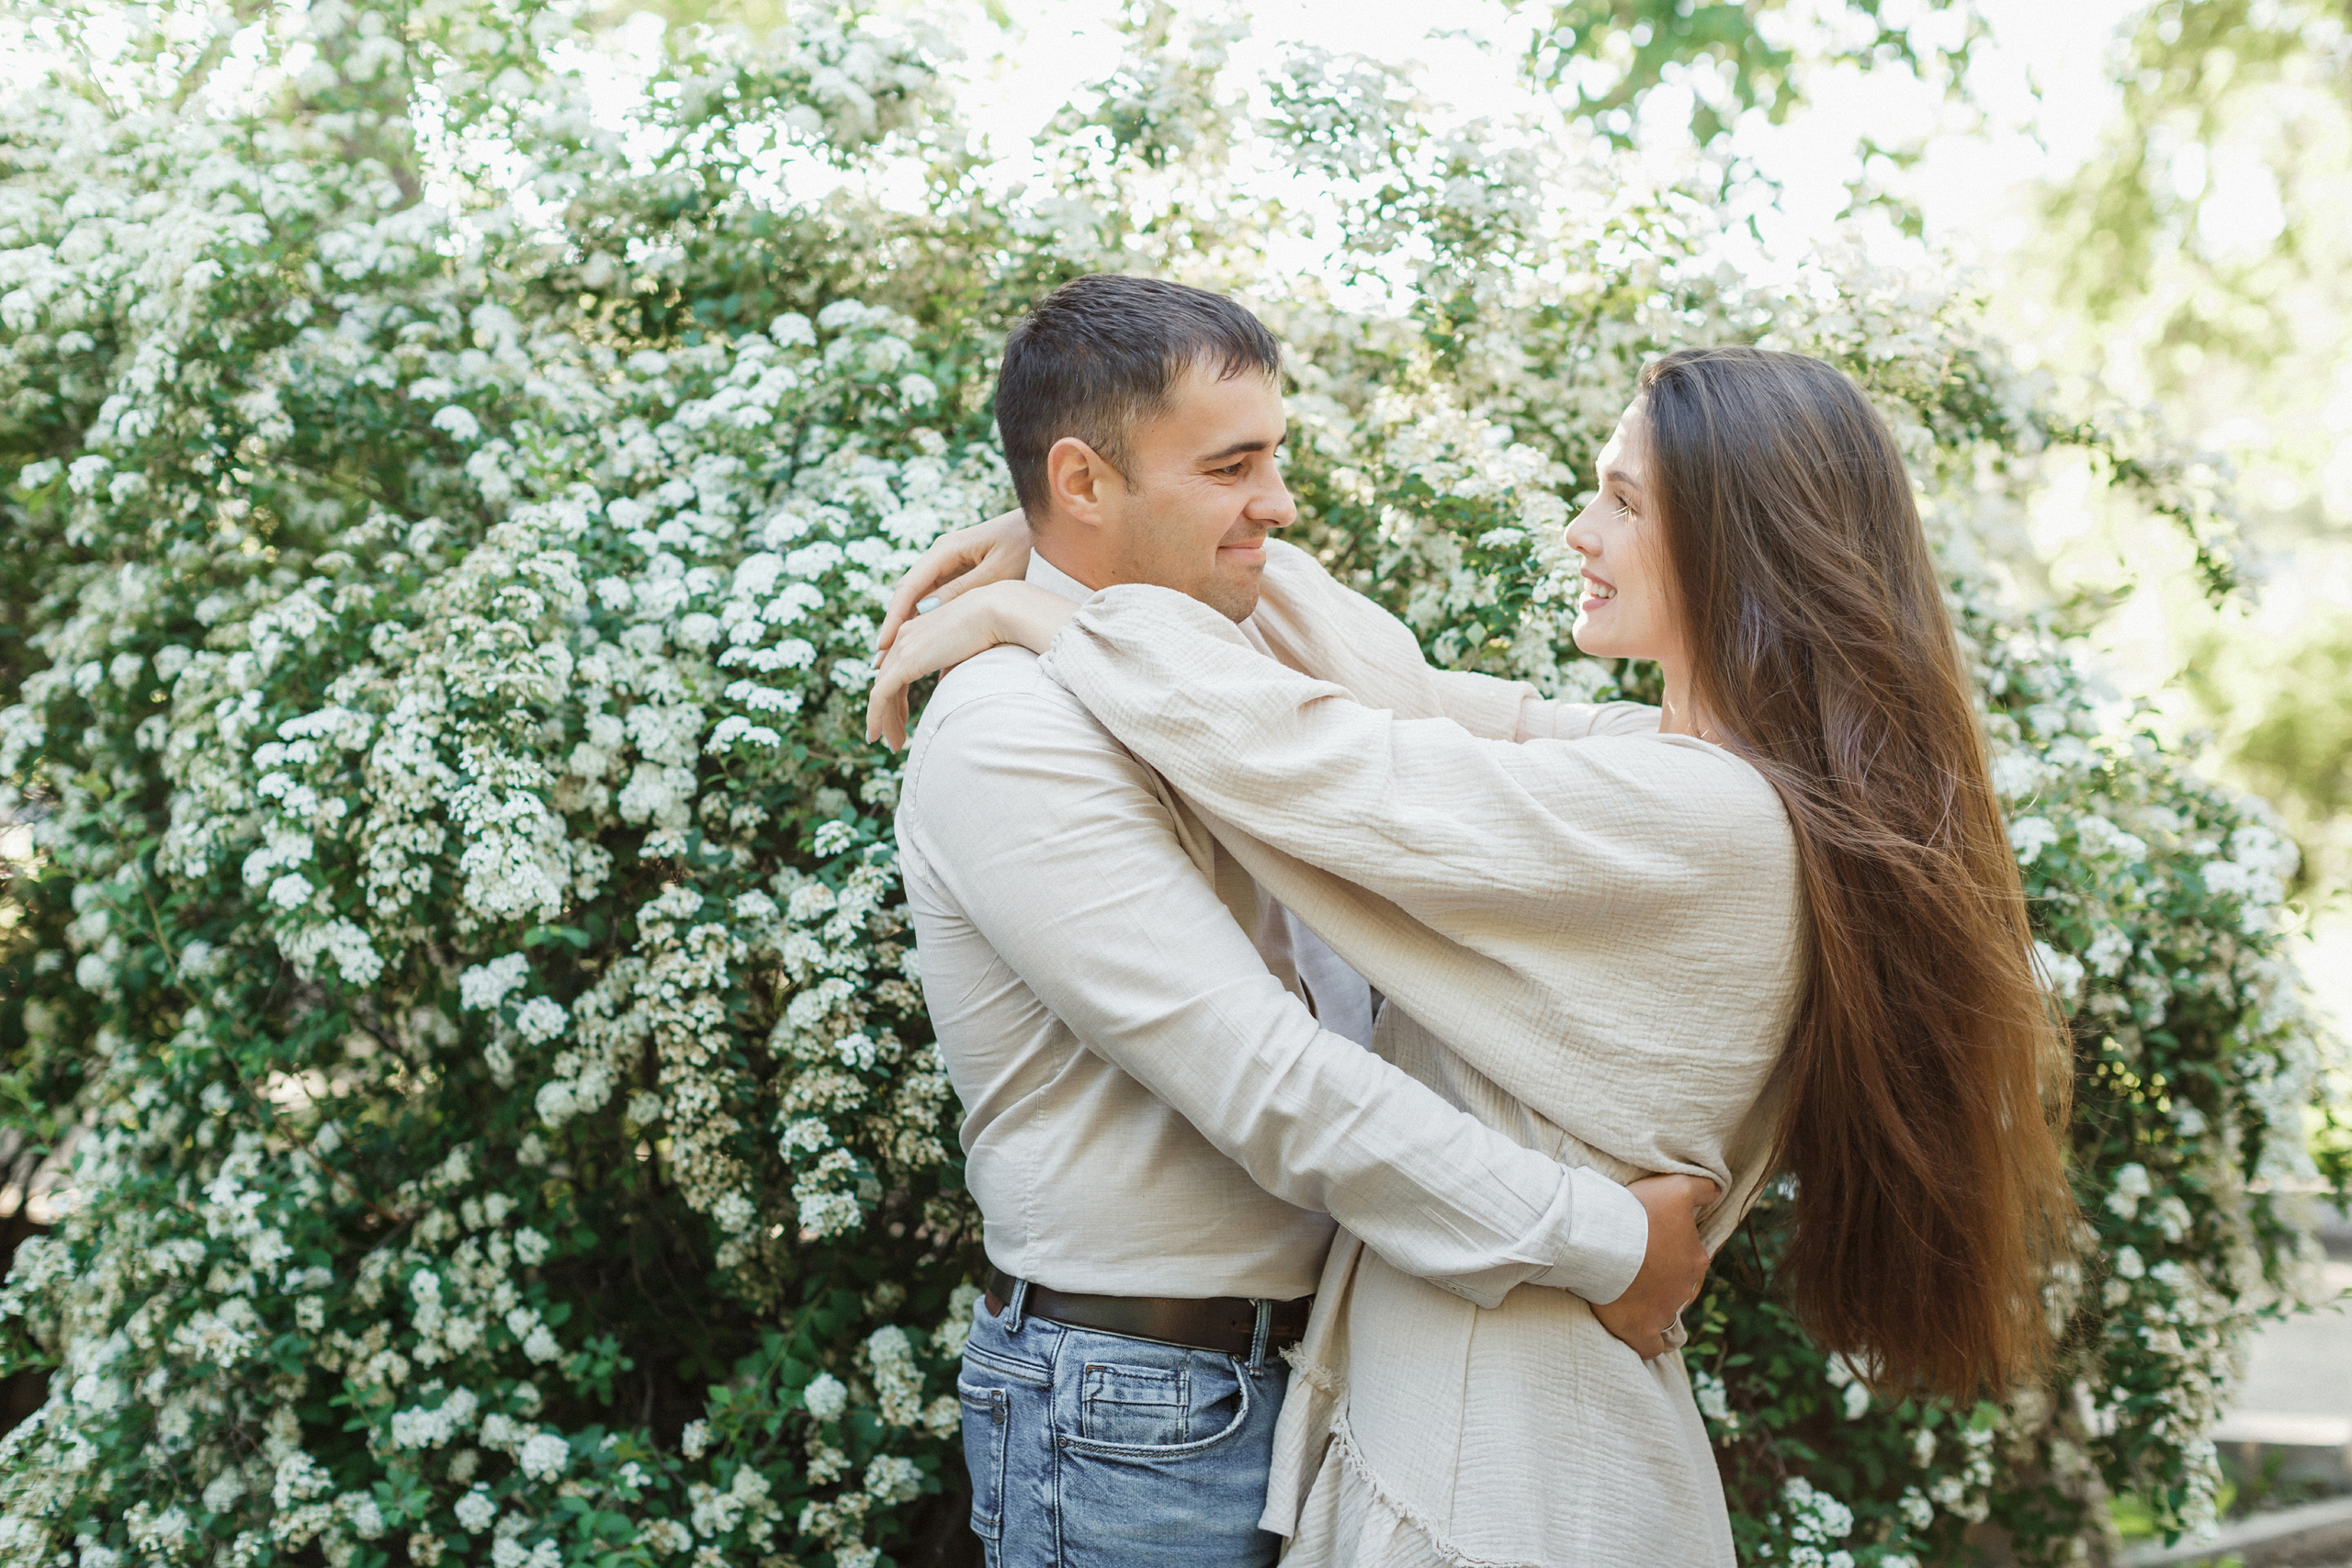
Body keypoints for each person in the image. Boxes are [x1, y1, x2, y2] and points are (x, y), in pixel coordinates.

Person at [871, 344, 2079, 1566]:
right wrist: (1061, 536)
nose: (1577, 530)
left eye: (1622, 499)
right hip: (1473, 1434)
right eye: (1237, 469)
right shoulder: (1704, 780)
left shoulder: (1695, 815)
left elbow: (1336, 759)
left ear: (1741, 541)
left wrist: (1053, 600)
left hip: (1493, 1466)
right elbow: (1389, 700)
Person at [888, 274, 1715, 1568]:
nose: (1275, 502)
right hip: (1135, 1418)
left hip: (1331, 1365)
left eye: (1273, 456)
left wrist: (1738, 762)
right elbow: (1270, 1080)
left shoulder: (1261, 606)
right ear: (1085, 483)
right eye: (1232, 467)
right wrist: (1608, 1242)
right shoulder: (1011, 734)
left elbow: (1477, 736)